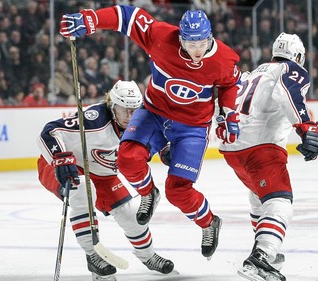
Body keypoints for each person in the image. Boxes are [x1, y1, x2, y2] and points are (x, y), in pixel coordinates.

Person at [59, 6, 241, 259]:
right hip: (154, 112)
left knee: (178, 190)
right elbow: (127, 16)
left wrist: (229, 112)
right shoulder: (160, 36)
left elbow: (230, 84)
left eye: (201, 43)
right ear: (180, 38)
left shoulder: (224, 59)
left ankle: (209, 222)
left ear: (210, 37)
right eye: (190, 43)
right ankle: (148, 193)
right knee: (127, 157)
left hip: (192, 127)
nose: (196, 50)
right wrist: (91, 19)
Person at [37, 80, 175, 281]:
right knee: (83, 191)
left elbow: (159, 137)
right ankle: (93, 256)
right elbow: (49, 131)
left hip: (101, 172)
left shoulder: (142, 120)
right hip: (63, 166)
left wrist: (165, 149)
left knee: (129, 214)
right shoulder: (94, 121)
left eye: (133, 109)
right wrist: (61, 158)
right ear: (112, 106)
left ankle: (148, 256)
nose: (130, 116)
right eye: (124, 110)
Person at [216, 32, 318, 281]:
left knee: (260, 197)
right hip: (261, 146)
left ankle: (264, 250)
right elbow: (288, 93)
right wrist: (306, 127)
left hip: (232, 148)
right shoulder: (290, 68)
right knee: (280, 201)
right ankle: (261, 256)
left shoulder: (251, 74)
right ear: (298, 56)